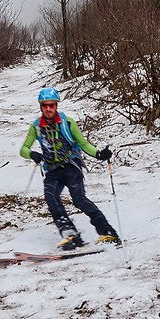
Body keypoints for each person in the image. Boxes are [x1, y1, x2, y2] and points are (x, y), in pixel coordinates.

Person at [18, 87, 120, 250]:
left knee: (79, 200)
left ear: (56, 106)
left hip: (71, 166)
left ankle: (108, 232)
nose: (48, 109)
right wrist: (32, 154)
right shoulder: (36, 127)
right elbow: (23, 149)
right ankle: (70, 235)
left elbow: (83, 143)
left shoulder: (67, 123)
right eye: (45, 106)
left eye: (51, 105)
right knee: (51, 198)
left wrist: (99, 154)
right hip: (52, 170)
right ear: (41, 107)